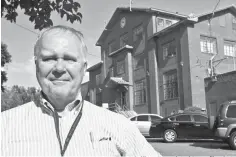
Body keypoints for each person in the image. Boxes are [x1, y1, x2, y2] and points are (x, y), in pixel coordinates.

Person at [1, 25, 162, 157]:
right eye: (49, 58)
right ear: (36, 65)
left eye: (70, 59)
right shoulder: (5, 126)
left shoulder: (119, 127)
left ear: (84, 68)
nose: (59, 68)